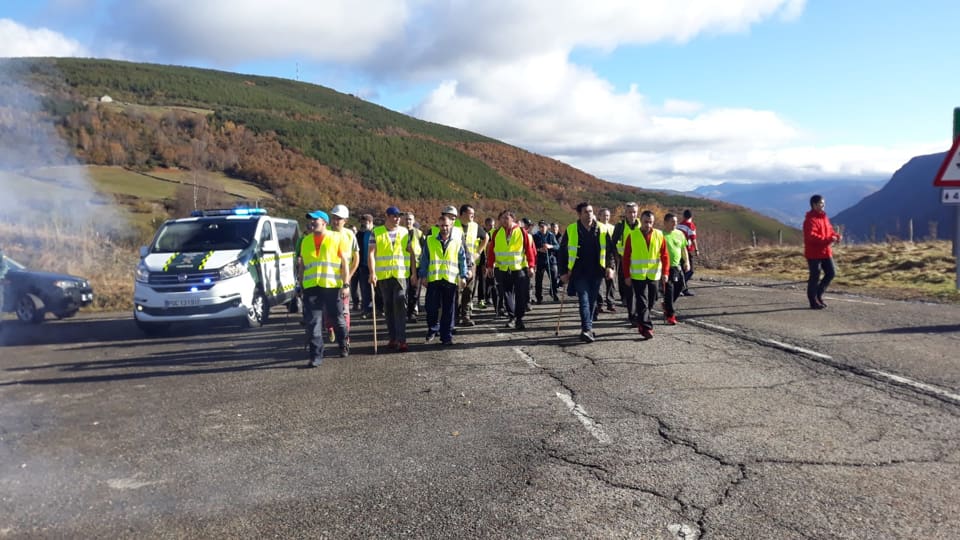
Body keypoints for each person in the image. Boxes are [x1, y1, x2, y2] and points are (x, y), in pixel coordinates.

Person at [558, 202, 617, 343]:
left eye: (591, 211)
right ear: (579, 214)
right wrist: (563, 272)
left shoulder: (602, 229)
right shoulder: (572, 229)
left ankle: (588, 328)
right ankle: (586, 329)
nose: (589, 214)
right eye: (586, 212)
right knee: (584, 300)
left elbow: (609, 251)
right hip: (578, 271)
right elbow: (562, 252)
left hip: (597, 271)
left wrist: (610, 267)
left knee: (592, 301)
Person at [299, 210, 350, 367]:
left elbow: (344, 263)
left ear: (325, 222)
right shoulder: (305, 241)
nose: (312, 222)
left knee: (337, 319)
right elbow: (303, 265)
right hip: (311, 287)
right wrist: (300, 284)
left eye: (316, 220)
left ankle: (343, 343)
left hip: (332, 286)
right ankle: (316, 356)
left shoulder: (337, 238)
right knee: (314, 322)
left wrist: (346, 284)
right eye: (311, 220)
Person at [415, 207, 469, 346]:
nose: (444, 228)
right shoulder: (430, 240)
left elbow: (462, 259)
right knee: (431, 307)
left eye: (447, 225)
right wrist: (423, 275)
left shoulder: (457, 241)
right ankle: (433, 328)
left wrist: (463, 276)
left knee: (448, 310)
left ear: (451, 225)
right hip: (434, 279)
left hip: (450, 280)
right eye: (442, 225)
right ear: (438, 225)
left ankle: (446, 336)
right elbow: (424, 259)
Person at [369, 206, 416, 352]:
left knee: (400, 304)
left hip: (400, 275)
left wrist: (414, 273)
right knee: (388, 308)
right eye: (394, 216)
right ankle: (393, 338)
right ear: (387, 216)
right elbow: (371, 253)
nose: (397, 219)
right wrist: (372, 272)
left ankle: (402, 340)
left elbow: (412, 252)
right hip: (383, 276)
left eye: (399, 216)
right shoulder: (376, 232)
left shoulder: (404, 232)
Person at [485, 210, 536, 330]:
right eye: (501, 218)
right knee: (506, 294)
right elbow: (491, 250)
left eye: (506, 218)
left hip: (519, 269)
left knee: (521, 295)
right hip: (502, 269)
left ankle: (519, 318)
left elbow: (529, 250)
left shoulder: (522, 232)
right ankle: (512, 317)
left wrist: (531, 266)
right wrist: (490, 265)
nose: (503, 221)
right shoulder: (497, 233)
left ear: (512, 219)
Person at [622, 210, 669, 340]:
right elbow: (626, 258)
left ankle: (641, 321)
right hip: (638, 275)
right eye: (645, 222)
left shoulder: (659, 235)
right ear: (640, 221)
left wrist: (665, 272)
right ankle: (647, 328)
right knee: (642, 301)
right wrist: (627, 275)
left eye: (650, 222)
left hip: (654, 274)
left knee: (652, 300)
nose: (648, 225)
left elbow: (665, 256)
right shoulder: (632, 235)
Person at [326, 204, 359, 342]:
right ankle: (330, 328)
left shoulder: (349, 235)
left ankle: (345, 337)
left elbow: (356, 257)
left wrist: (348, 278)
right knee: (327, 310)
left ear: (345, 220)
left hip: (344, 278)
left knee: (344, 310)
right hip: (326, 278)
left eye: (338, 219)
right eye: (333, 218)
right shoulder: (325, 232)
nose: (335, 221)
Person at [803, 194, 841, 310]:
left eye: (823, 203)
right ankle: (813, 301)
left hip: (825, 251)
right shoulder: (810, 220)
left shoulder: (824, 217)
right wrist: (828, 239)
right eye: (820, 203)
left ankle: (818, 294)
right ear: (814, 205)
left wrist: (836, 236)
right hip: (814, 253)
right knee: (815, 276)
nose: (823, 205)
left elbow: (829, 231)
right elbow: (811, 237)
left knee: (831, 273)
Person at [611, 202, 641, 325]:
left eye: (634, 212)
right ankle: (632, 316)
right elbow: (613, 243)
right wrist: (616, 257)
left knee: (641, 291)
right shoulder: (620, 226)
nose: (632, 214)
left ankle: (640, 313)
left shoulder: (642, 224)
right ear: (625, 213)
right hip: (625, 260)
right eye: (629, 212)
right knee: (629, 290)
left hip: (641, 261)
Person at [455, 204, 484, 326]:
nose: (472, 215)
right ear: (462, 214)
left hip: (470, 262)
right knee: (456, 290)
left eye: (473, 213)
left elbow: (486, 237)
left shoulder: (475, 226)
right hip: (455, 262)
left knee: (469, 289)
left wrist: (478, 252)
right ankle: (454, 316)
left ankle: (465, 315)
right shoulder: (453, 225)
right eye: (470, 213)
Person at [661, 213, 690, 325]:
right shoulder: (660, 235)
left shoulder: (680, 234)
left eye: (676, 222)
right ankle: (670, 315)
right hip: (665, 267)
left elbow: (684, 249)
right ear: (665, 222)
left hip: (677, 266)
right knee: (669, 290)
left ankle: (667, 304)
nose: (675, 224)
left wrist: (686, 261)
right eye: (672, 222)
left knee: (680, 287)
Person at [351, 214, 375, 318]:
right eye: (362, 223)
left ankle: (378, 308)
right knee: (364, 289)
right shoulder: (360, 234)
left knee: (377, 290)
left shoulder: (376, 233)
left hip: (375, 265)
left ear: (370, 222)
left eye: (365, 223)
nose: (363, 225)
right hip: (364, 265)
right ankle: (366, 309)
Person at [403, 212, 424, 323]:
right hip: (402, 266)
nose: (408, 221)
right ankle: (403, 313)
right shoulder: (399, 233)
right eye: (406, 219)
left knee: (414, 292)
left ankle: (411, 313)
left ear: (414, 220)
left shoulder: (419, 234)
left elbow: (424, 250)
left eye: (410, 219)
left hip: (416, 266)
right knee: (402, 291)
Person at [532, 220, 559, 304]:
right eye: (540, 226)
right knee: (538, 280)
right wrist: (539, 249)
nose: (542, 228)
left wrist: (550, 246)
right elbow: (532, 248)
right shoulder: (535, 236)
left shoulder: (551, 235)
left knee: (554, 278)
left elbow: (557, 246)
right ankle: (539, 297)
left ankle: (553, 293)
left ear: (547, 227)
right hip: (540, 260)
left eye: (543, 226)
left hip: (550, 260)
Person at [596, 207, 617, 314]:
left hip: (609, 258)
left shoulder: (612, 228)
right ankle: (599, 304)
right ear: (599, 216)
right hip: (598, 259)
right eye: (604, 215)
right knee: (599, 283)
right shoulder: (595, 226)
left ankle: (611, 303)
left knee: (611, 281)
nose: (606, 217)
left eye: (608, 215)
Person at [676, 209, 700, 295]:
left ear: (683, 216)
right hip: (686, 250)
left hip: (677, 249)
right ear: (691, 216)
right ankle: (679, 287)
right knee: (690, 270)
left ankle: (684, 289)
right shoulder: (690, 225)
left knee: (683, 270)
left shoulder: (678, 225)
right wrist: (696, 249)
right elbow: (693, 238)